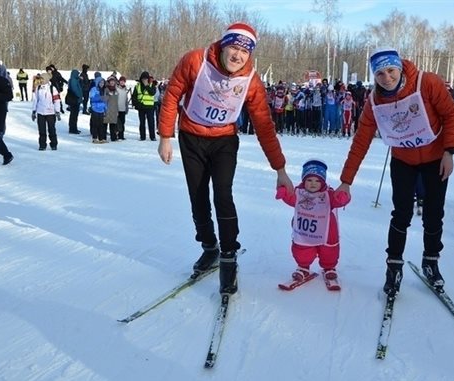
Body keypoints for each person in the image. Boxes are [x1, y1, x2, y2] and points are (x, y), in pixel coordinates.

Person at [157, 22, 293, 296]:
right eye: (234, 47)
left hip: (224, 141)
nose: (238, 55)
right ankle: (210, 248)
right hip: (191, 137)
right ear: (224, 45)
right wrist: (165, 137)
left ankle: (229, 256)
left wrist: (280, 169)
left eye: (245, 51)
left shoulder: (251, 80)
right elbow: (172, 95)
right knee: (197, 197)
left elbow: (264, 125)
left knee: (222, 194)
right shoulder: (195, 60)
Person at [336, 47, 454, 297]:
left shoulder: (427, 82)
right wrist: (346, 181)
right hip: (403, 160)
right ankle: (393, 267)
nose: (387, 78)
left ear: (400, 68)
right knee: (401, 214)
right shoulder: (374, 101)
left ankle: (431, 261)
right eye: (380, 74)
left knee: (434, 214)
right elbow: (361, 141)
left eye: (391, 70)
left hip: (435, 159)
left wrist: (449, 151)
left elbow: (450, 114)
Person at [275, 159, 351, 286]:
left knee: (329, 251)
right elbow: (290, 198)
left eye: (317, 181)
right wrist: (284, 193)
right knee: (302, 249)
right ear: (304, 180)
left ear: (323, 182)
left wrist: (343, 197)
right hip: (304, 231)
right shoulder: (299, 193)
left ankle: (329, 267)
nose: (313, 184)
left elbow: (338, 200)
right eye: (309, 180)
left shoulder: (328, 194)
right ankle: (303, 267)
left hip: (327, 232)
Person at [31, 72, 61, 150]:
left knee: (52, 129)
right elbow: (35, 100)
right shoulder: (38, 87)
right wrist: (34, 111)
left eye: (42, 79)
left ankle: (53, 144)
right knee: (41, 130)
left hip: (50, 112)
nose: (41, 80)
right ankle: (42, 145)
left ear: (47, 79)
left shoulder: (52, 88)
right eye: (40, 78)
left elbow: (57, 100)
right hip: (40, 112)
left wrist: (57, 111)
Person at [132, 71, 156, 141]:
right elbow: (134, 97)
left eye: (146, 79)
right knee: (142, 123)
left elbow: (152, 93)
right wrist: (137, 104)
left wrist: (147, 85)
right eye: (143, 79)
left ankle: (152, 137)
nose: (144, 80)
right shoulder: (137, 86)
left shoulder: (152, 85)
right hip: (141, 107)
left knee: (151, 122)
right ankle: (142, 136)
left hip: (150, 107)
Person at [88, 76, 107, 143]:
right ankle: (94, 137)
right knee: (95, 124)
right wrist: (100, 97)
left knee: (101, 124)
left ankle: (101, 138)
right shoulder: (94, 89)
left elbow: (105, 101)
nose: (102, 84)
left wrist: (106, 109)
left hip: (101, 109)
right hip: (95, 108)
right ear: (97, 83)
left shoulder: (104, 90)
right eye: (100, 82)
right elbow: (92, 98)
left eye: (103, 83)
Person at [66, 69, 83, 134]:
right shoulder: (73, 80)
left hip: (75, 99)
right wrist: (79, 96)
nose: (78, 75)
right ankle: (73, 129)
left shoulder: (74, 79)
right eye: (77, 74)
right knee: (74, 115)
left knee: (74, 115)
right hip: (75, 99)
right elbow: (75, 90)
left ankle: (74, 128)